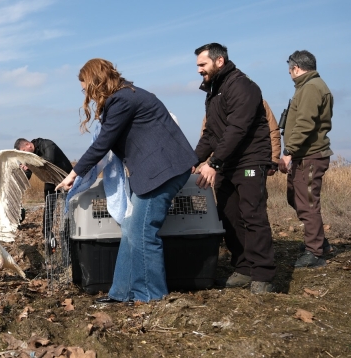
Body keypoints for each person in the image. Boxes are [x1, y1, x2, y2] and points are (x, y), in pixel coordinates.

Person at [55, 58, 197, 304]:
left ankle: (151, 297)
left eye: (84, 87)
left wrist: (74, 173)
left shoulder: (122, 100)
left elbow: (103, 143)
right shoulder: (126, 96)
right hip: (157, 171)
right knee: (132, 229)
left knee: (143, 233)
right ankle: (121, 292)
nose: (85, 94)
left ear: (95, 81)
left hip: (162, 171)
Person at [193, 43, 276, 294]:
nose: (198, 70)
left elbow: (237, 128)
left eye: (202, 64)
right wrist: (190, 160)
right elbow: (210, 134)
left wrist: (214, 163)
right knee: (229, 216)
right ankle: (243, 268)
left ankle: (263, 274)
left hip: (249, 162)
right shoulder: (213, 91)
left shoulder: (242, 86)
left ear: (219, 61)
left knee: (252, 215)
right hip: (227, 164)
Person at [278, 50, 334, 268]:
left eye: (290, 70)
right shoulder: (307, 87)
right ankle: (319, 241)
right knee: (295, 198)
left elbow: (305, 123)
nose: (290, 74)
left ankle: (315, 253)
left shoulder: (311, 88)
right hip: (304, 155)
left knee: (308, 203)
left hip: (310, 155)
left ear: (296, 68)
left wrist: (288, 151)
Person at [196, 100, 282, 175]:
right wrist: (208, 163)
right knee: (222, 193)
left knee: (251, 189)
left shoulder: (259, 102)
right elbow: (207, 136)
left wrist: (274, 161)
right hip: (221, 166)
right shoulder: (214, 106)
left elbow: (273, 131)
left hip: (249, 165)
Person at [14, 138, 73, 240]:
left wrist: (30, 164)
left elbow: (49, 161)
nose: (24, 155)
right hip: (51, 179)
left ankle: (70, 231)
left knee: (69, 205)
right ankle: (47, 234)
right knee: (49, 205)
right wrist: (21, 175)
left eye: (23, 152)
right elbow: (28, 174)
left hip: (66, 177)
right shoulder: (29, 156)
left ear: (28, 145)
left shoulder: (47, 144)